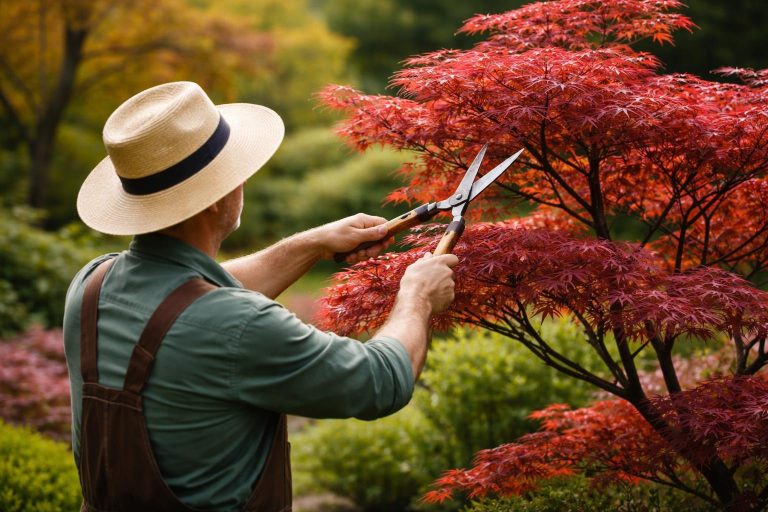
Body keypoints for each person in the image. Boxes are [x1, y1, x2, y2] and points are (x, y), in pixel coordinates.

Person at [62, 81, 458, 512]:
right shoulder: (240, 325)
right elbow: (379, 381)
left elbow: (181, 300)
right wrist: (416, 296)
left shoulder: (90, 286)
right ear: (214, 201)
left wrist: (311, 244)